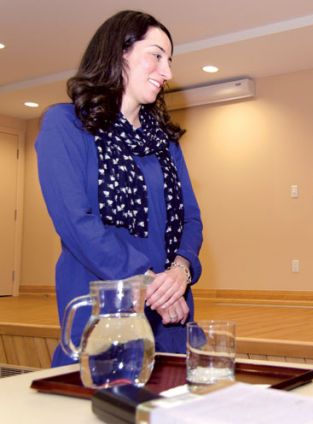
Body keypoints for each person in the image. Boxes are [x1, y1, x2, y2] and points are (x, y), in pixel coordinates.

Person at [35, 10, 203, 366]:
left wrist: (179, 272)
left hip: (170, 311)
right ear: (119, 52)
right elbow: (76, 224)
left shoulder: (164, 141)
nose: (167, 72)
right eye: (156, 55)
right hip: (106, 308)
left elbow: (191, 218)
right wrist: (145, 282)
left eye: (169, 60)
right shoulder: (65, 125)